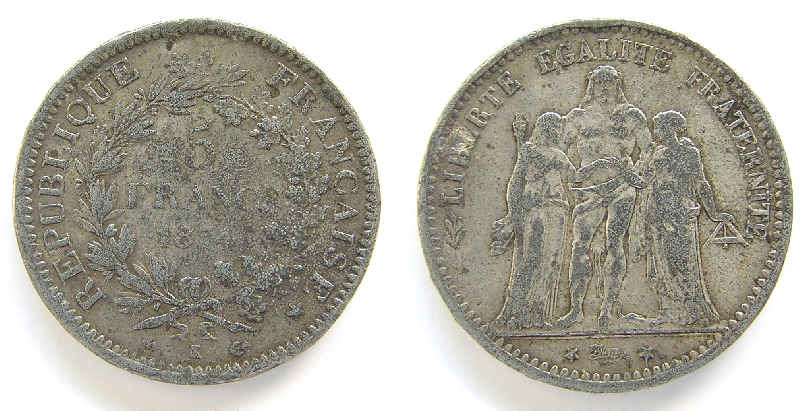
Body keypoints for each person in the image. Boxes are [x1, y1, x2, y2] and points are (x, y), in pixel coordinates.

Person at [555, 65, 654, 328]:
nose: (605, 88)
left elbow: (648, 149)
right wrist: (575, 176)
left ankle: (607, 309)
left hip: (622, 187)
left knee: (615, 243)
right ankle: (576, 309)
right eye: (599, 83)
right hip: (589, 189)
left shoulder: (632, 116)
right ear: (591, 87)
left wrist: (634, 175)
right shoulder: (577, 117)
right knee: (580, 245)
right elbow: (561, 150)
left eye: (610, 83)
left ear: (618, 86)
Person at [492, 112, 611, 329]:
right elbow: (515, 182)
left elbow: (575, 176)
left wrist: (596, 165)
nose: (558, 131)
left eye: (559, 127)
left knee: (551, 261)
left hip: (557, 210)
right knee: (529, 260)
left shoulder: (558, 155)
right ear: (545, 128)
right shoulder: (528, 150)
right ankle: (512, 310)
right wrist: (512, 213)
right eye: (555, 127)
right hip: (534, 209)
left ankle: (537, 313)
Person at [614, 110, 729, 327]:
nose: (655, 131)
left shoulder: (689, 153)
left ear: (669, 128)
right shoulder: (659, 153)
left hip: (681, 213)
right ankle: (669, 312)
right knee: (663, 265)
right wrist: (621, 169)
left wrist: (713, 213)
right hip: (659, 214)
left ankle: (693, 312)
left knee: (683, 262)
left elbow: (701, 183)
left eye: (658, 126)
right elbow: (642, 182)